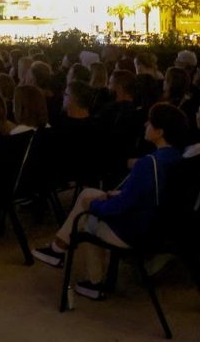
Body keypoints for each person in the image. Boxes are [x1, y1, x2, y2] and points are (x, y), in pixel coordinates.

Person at [32, 103, 189, 300]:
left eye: (150, 122)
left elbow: (121, 207)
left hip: (132, 230)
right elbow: (142, 194)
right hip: (152, 224)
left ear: (159, 132)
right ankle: (58, 249)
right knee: (88, 193)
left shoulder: (149, 164)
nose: (145, 124)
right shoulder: (175, 158)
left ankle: (93, 282)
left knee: (86, 218)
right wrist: (113, 195)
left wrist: (96, 206)